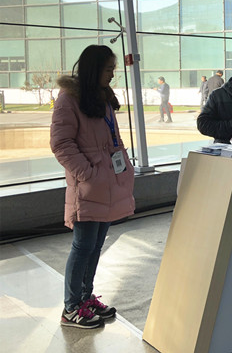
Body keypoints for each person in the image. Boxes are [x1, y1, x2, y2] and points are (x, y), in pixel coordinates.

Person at [50, 45, 135, 329]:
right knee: (83, 246)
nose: (112, 75)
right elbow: (61, 144)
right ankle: (71, 308)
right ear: (94, 69)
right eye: (108, 69)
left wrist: (122, 169)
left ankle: (85, 298)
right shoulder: (69, 99)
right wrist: (88, 174)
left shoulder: (103, 98)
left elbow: (112, 139)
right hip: (88, 188)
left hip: (108, 184)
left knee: (96, 246)